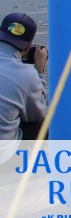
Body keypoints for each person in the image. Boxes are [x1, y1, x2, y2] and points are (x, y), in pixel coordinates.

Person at [0, 12, 48, 144]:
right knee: (40, 126)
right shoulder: (27, 75)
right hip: (3, 151)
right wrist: (39, 70)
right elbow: (36, 114)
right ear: (28, 46)